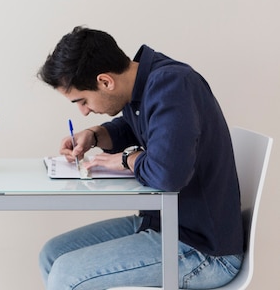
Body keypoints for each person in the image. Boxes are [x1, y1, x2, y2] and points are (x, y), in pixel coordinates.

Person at [36, 26, 243, 289]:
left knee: (67, 275)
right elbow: (136, 128)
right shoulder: (146, 86)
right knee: (52, 255)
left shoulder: (172, 85)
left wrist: (127, 159)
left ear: (105, 81)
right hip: (163, 225)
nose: (84, 111)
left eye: (83, 101)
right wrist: (95, 135)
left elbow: (168, 174)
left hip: (203, 249)